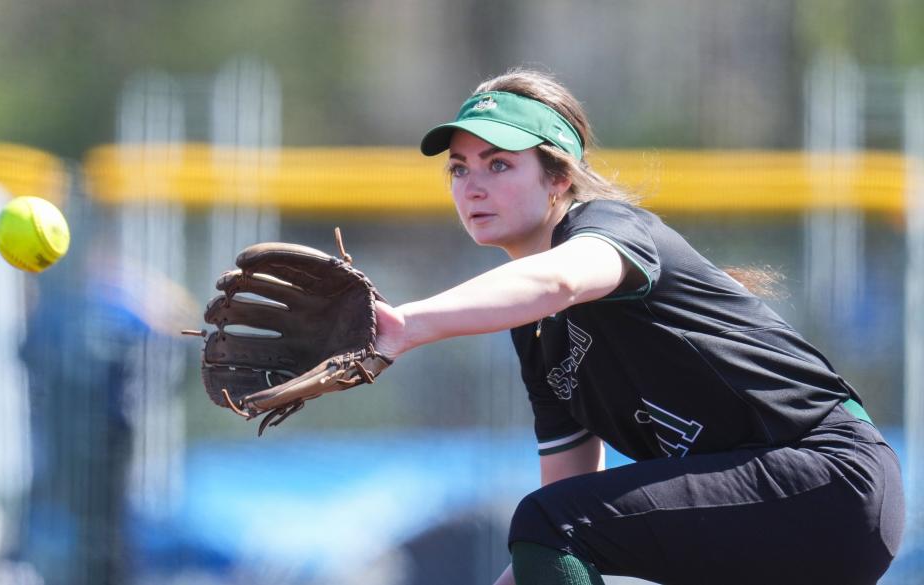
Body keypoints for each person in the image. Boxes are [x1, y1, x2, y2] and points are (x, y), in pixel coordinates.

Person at [373, 68, 905, 585]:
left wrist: (407, 326)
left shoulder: (609, 227)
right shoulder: (534, 331)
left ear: (559, 175)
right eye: (459, 169)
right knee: (554, 523)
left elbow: (560, 281)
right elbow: (567, 503)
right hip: (766, 503)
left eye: (499, 165)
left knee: (552, 521)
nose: (472, 186)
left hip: (828, 478)